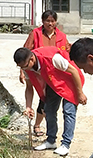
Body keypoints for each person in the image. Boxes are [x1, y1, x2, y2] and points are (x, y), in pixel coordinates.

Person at [14, 46, 87, 156]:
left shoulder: (52, 58)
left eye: (25, 66)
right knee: (48, 110)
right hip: (53, 83)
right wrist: (28, 106)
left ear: (32, 59)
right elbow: (29, 88)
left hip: (70, 81)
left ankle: (65, 144)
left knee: (68, 111)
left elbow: (74, 71)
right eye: (21, 68)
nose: (25, 69)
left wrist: (80, 93)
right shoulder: (27, 68)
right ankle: (51, 140)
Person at [21, 10, 70, 138]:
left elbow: (67, 53)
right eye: (47, 21)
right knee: (35, 92)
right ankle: (30, 111)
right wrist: (22, 70)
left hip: (53, 73)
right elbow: (25, 52)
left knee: (46, 100)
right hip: (35, 69)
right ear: (42, 21)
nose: (50, 23)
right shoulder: (35, 33)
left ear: (56, 22)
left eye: (52, 21)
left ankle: (38, 125)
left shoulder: (61, 36)